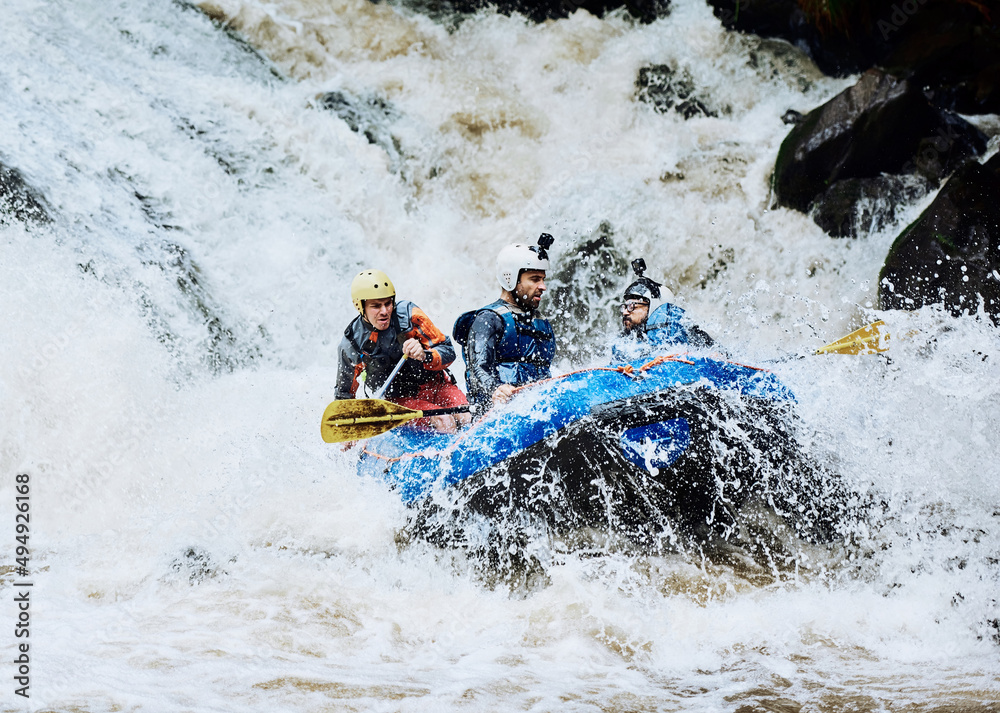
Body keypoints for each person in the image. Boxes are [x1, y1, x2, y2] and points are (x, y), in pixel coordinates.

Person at [334, 269, 469, 432]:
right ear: (361, 307)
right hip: (400, 402)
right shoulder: (353, 342)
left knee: (467, 417)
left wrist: (424, 355)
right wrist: (347, 429)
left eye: (388, 303)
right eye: (376, 306)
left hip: (437, 386)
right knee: (445, 421)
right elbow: (345, 393)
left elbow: (448, 351)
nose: (384, 311)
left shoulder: (410, 315)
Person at [453, 234, 556, 412]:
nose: (543, 286)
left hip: (536, 409)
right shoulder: (488, 319)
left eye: (543, 279)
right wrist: (496, 389)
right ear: (510, 278)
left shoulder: (541, 323)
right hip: (495, 415)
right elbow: (478, 370)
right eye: (534, 279)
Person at [611, 258, 715, 362]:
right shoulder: (627, 342)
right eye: (624, 307)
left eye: (631, 306)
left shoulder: (679, 331)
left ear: (653, 306)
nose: (625, 312)